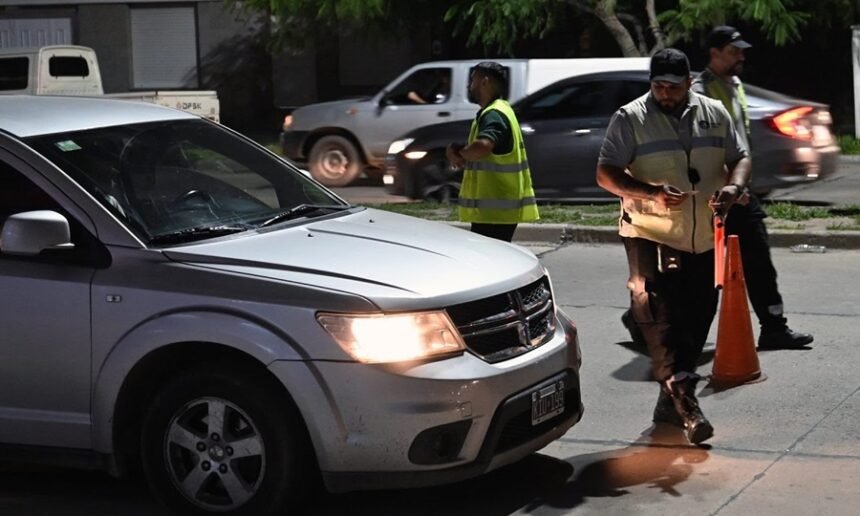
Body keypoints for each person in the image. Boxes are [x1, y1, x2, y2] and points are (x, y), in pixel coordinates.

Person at [596, 48, 751, 445]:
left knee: (700, 313)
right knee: (658, 313)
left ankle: (671, 395)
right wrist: (650, 193)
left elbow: (740, 157)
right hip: (651, 232)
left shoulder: (714, 112)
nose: (664, 93)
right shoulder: (630, 118)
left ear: (689, 83)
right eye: (658, 86)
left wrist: (734, 186)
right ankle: (686, 403)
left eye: (673, 86)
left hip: (703, 235)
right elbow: (606, 174)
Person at [691, 25, 814, 350]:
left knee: (760, 262)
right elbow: (706, 149)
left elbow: (740, 142)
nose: (741, 56)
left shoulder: (736, 85)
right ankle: (647, 320)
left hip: (743, 192)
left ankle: (774, 328)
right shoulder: (700, 91)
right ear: (714, 53)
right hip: (718, 198)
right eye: (734, 51)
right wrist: (728, 187)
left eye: (742, 51)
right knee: (706, 273)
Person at [446, 61, 538, 242]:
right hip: (497, 210)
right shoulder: (500, 110)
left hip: (495, 211)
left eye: (473, 80)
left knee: (489, 263)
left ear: (485, 82)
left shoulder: (493, 114)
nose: (469, 86)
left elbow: (483, 146)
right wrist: (460, 149)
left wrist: (459, 154)